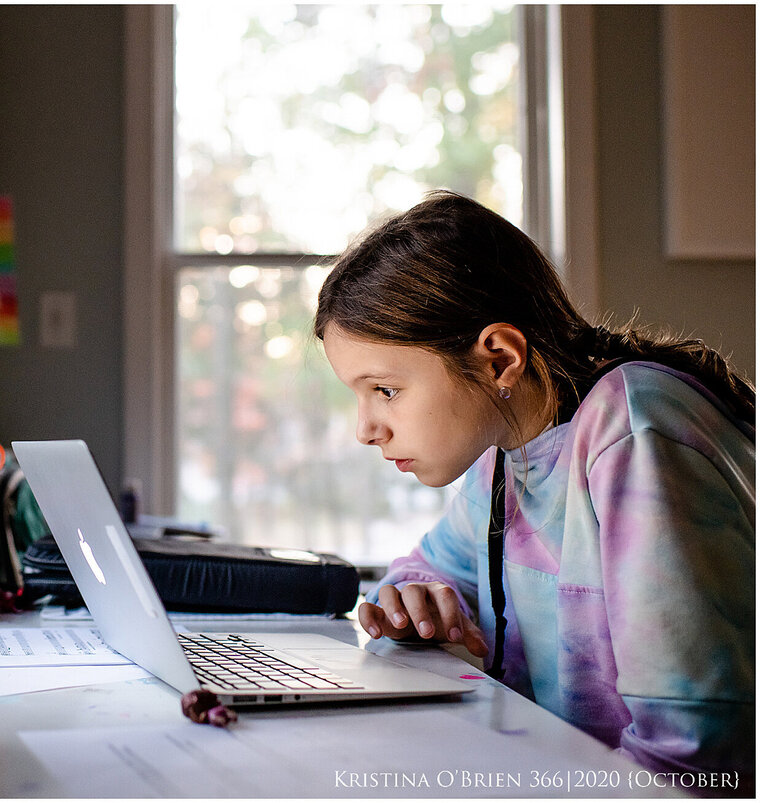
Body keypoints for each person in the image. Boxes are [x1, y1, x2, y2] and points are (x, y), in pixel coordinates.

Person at [314, 190, 755, 788]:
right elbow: (428, 569)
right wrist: (412, 597)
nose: (366, 429)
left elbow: (695, 752)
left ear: (498, 360)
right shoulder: (504, 455)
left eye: (385, 390)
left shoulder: (632, 435)